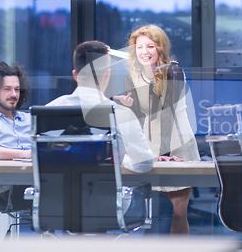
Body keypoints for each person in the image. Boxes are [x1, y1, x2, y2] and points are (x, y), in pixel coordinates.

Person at [46, 40, 174, 235]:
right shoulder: (119, 113)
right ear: (107, 74)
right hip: (109, 209)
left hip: (57, 207)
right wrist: (123, 158)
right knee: (162, 206)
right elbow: (144, 164)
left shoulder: (48, 111)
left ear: (75, 75)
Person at [114, 24, 200, 235]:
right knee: (156, 215)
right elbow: (137, 121)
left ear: (160, 48)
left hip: (177, 146)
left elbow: (168, 115)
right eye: (140, 46)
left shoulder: (173, 70)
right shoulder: (131, 77)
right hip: (150, 149)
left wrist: (164, 154)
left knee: (178, 214)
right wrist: (127, 107)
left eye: (150, 46)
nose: (144, 52)